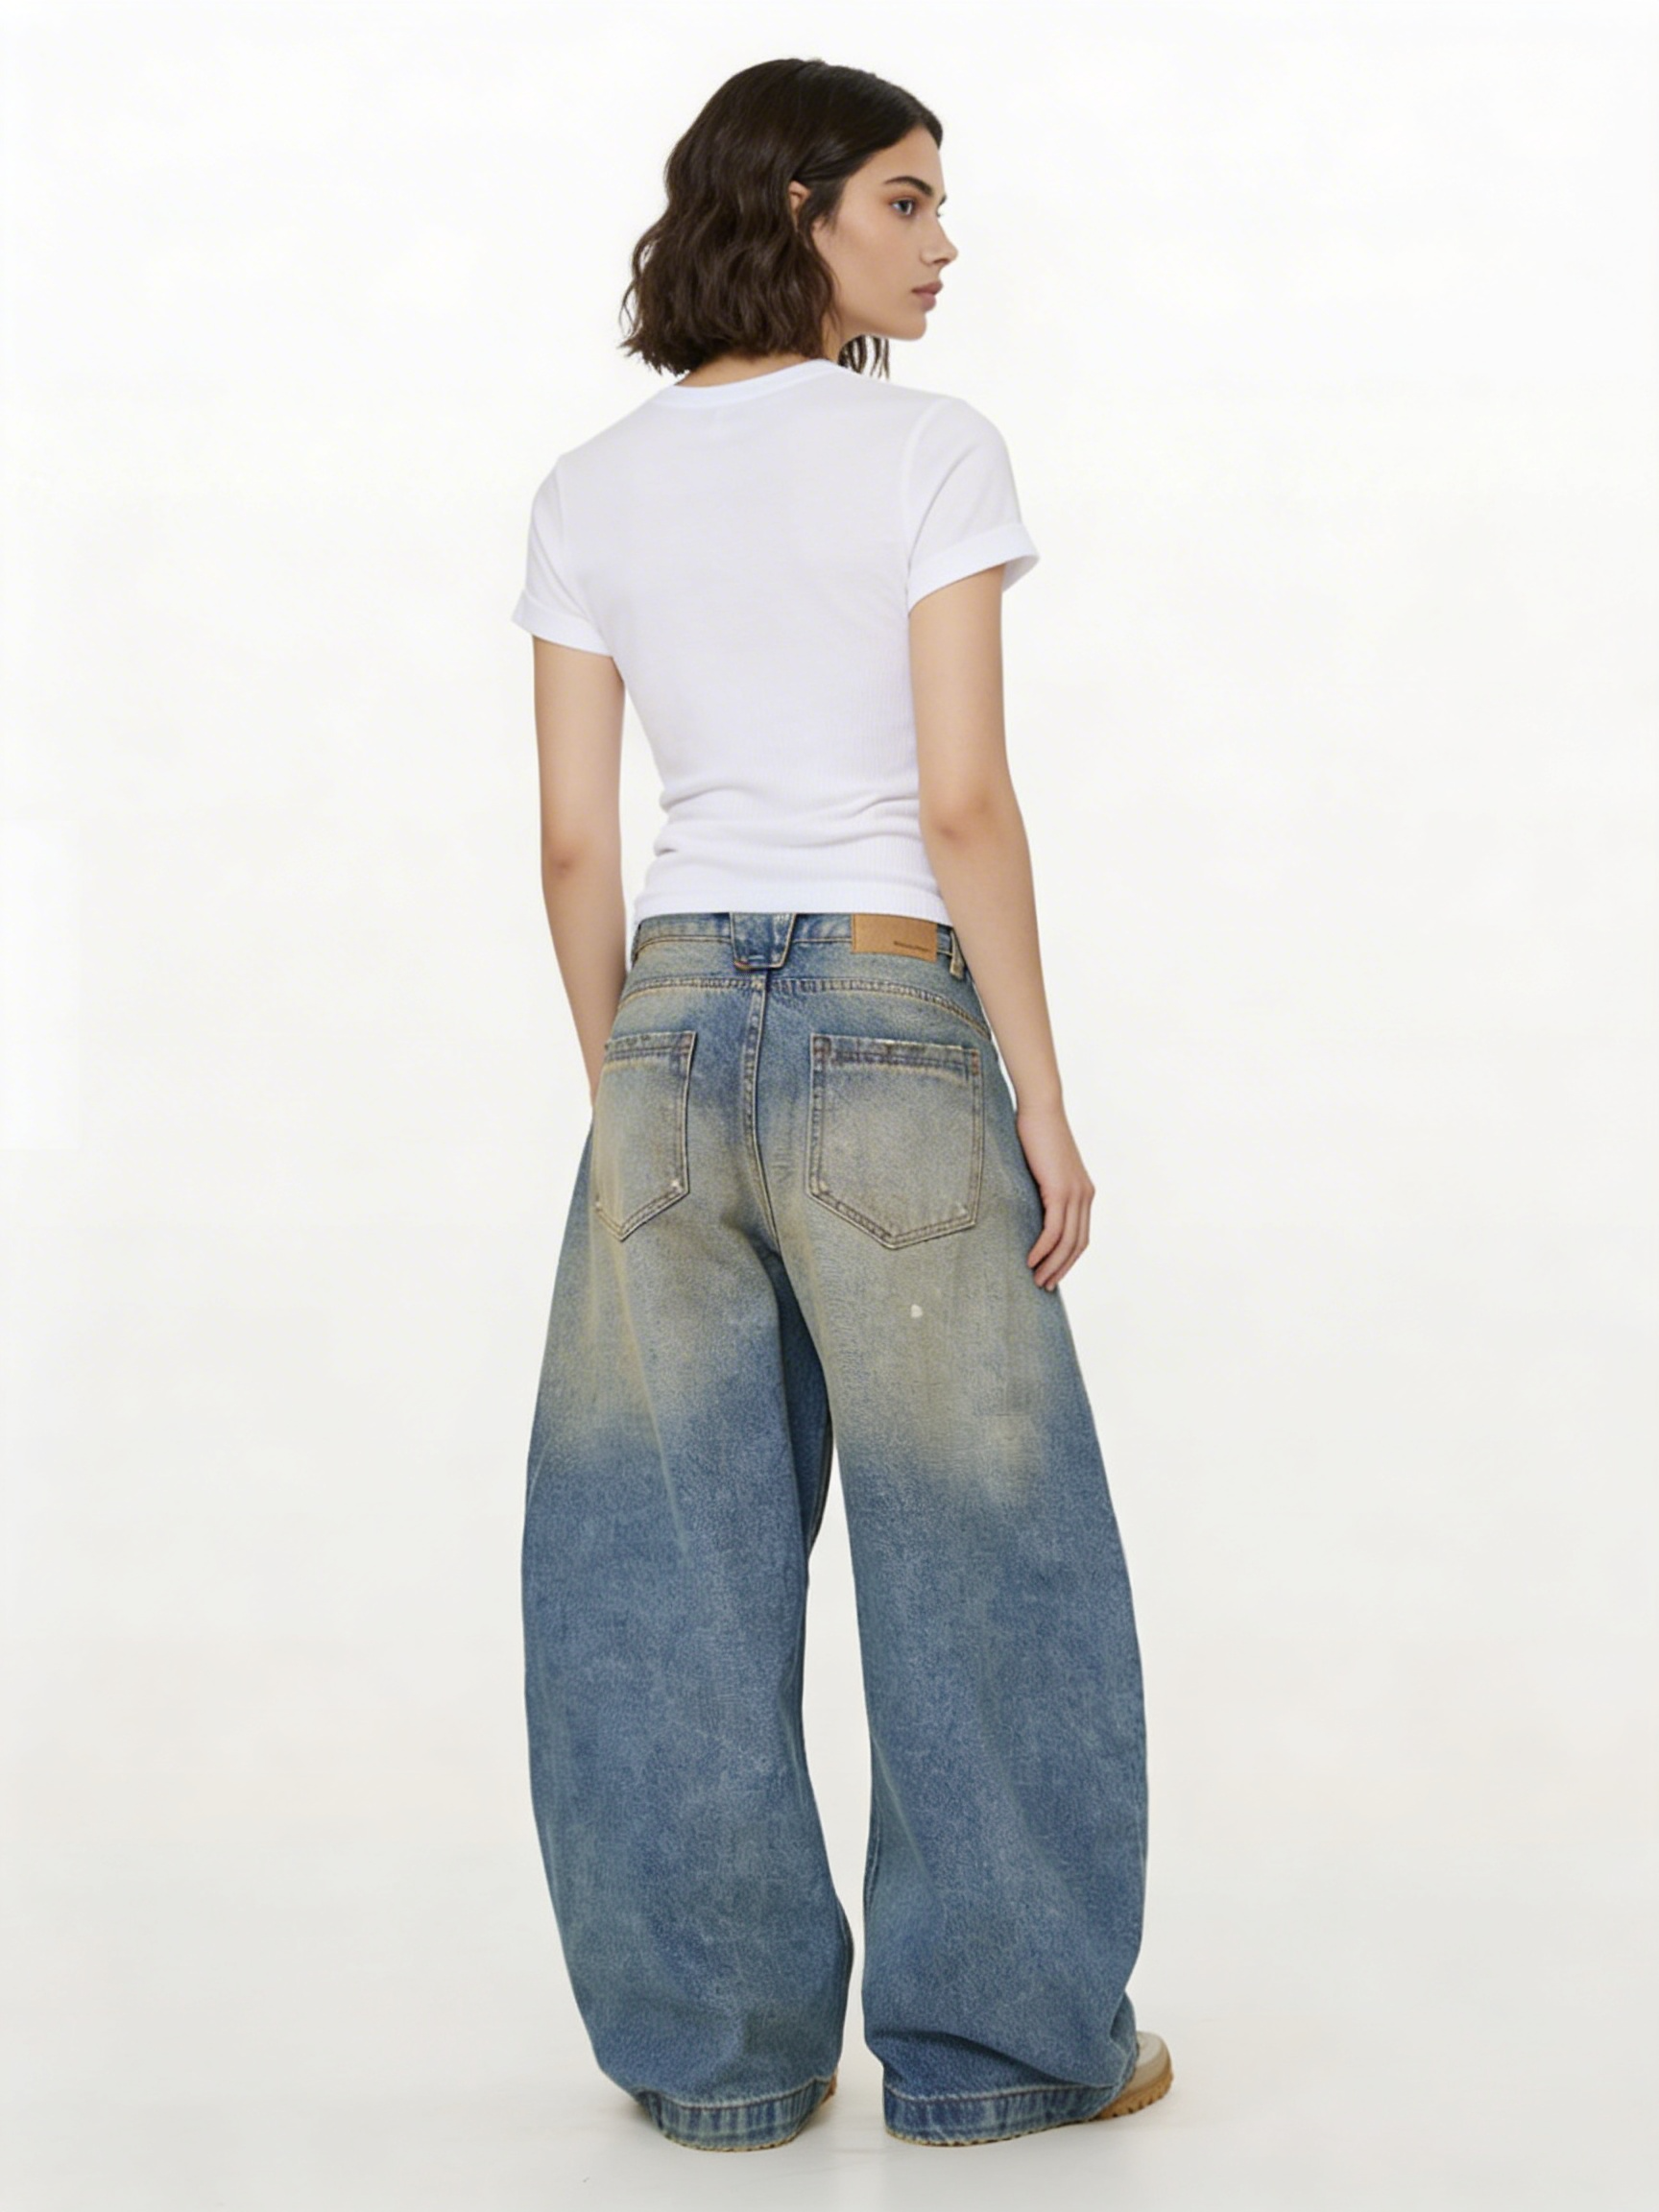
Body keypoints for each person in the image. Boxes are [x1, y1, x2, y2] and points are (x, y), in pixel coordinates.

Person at [509, 56, 1170, 2152]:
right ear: (795, 209)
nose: (942, 240)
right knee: (980, 1540)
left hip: (666, 1023)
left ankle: (720, 2064)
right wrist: (1041, 1098)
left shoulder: (589, 487)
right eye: (906, 198)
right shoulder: (930, 450)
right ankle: (1009, 2048)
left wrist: (636, 1089)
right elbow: (962, 803)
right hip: (893, 1014)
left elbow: (572, 846)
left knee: (655, 1557)